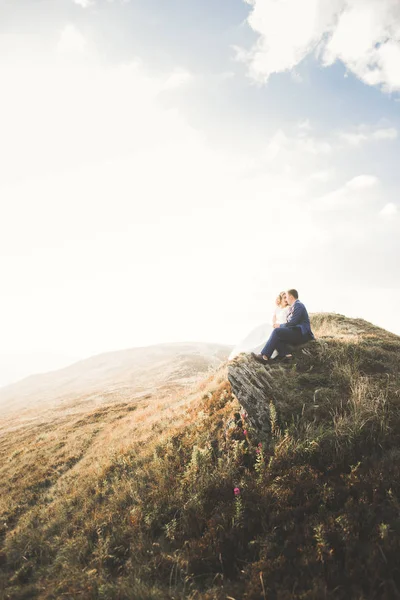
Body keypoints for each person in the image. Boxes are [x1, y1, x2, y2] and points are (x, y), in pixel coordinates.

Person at [251, 289, 314, 363]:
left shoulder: (298, 305)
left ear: (290, 297)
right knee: (278, 335)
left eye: (286, 297)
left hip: (302, 334)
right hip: (297, 332)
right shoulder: (293, 306)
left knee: (277, 332)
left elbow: (292, 323)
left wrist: (280, 326)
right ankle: (286, 355)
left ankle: (265, 356)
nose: (286, 300)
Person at [229, 292, 290, 360]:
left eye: (287, 298)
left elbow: (289, 322)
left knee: (270, 335)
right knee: (264, 327)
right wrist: (274, 325)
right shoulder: (277, 309)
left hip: (282, 328)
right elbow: (274, 320)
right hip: (275, 327)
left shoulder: (288, 308)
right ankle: (250, 346)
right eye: (284, 298)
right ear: (280, 299)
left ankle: (263, 353)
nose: (286, 299)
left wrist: (279, 326)